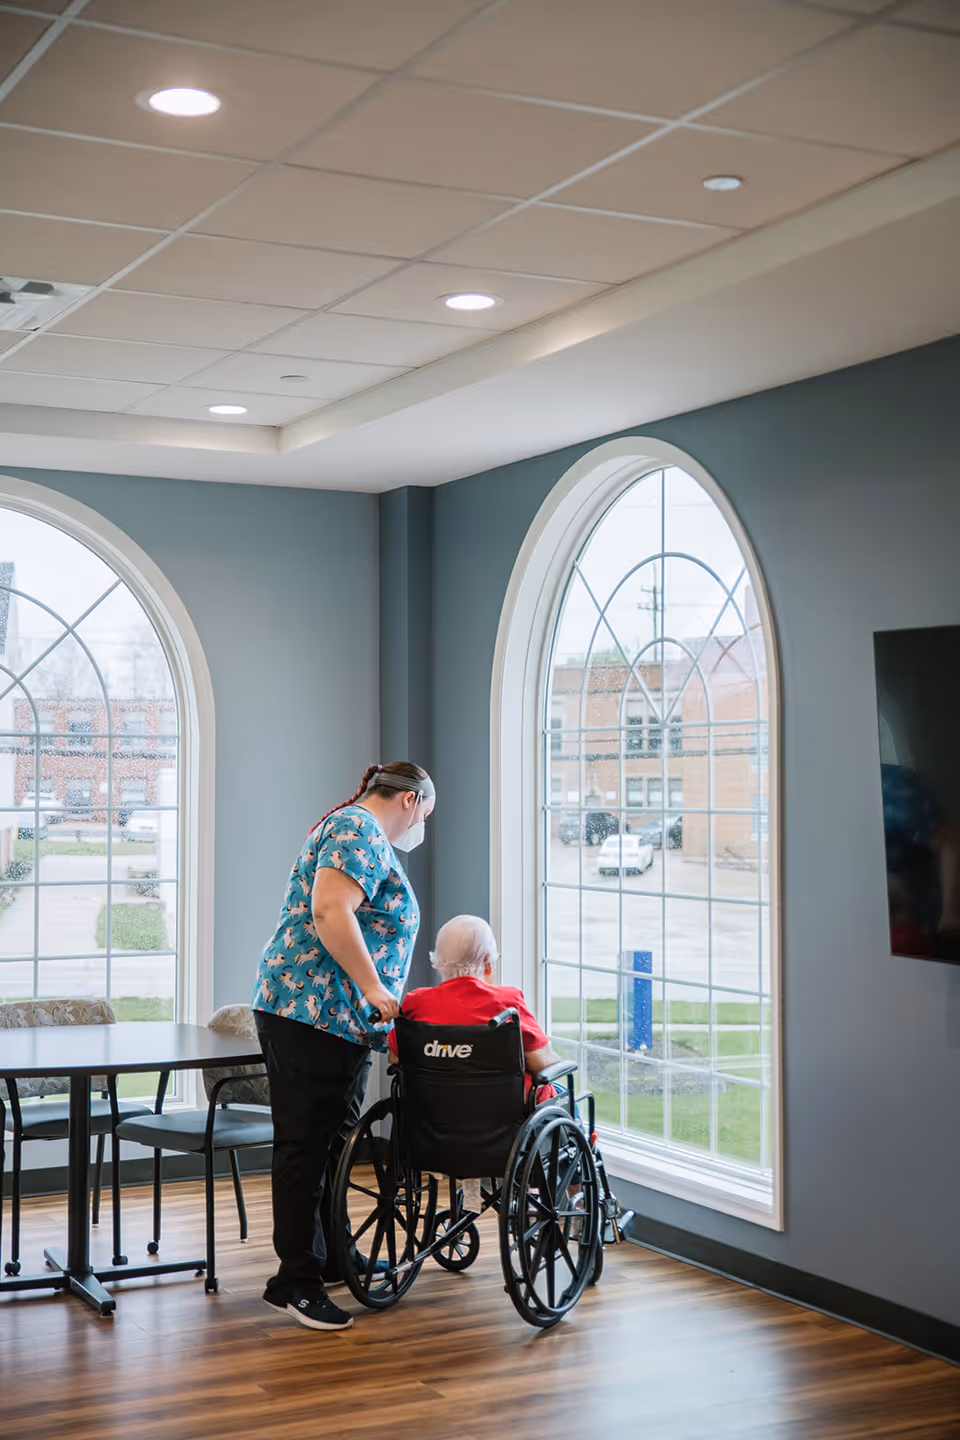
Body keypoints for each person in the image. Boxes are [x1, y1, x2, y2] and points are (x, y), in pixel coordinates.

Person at [252, 760, 435, 1332]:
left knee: (334, 1145)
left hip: (335, 1018)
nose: (422, 826)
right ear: (411, 800)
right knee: (305, 1147)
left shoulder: (357, 830)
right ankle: (295, 1283)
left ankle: (333, 1258)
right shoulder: (359, 830)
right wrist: (375, 987)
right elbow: (331, 910)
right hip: (312, 1012)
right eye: (427, 813)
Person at [388, 915, 559, 1097]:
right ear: (487, 964)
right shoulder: (508, 1003)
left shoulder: (416, 1003)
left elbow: (395, 1057)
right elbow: (541, 1063)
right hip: (504, 1113)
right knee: (559, 1095)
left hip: (432, 1114)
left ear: (438, 963)